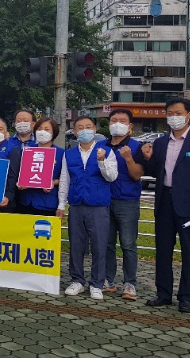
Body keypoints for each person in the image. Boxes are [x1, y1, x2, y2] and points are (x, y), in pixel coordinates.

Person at [141, 99, 190, 313]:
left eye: (177, 113)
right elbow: (155, 171)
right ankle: (163, 293)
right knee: (163, 251)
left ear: (189, 115)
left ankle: (187, 297)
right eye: (169, 113)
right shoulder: (160, 143)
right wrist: (148, 158)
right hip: (164, 202)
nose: (173, 117)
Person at [58, 116, 118, 301]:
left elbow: (112, 177)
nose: (84, 130)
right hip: (77, 204)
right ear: (75, 132)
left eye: (88, 127)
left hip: (98, 205)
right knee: (76, 244)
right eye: (80, 127)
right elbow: (64, 180)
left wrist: (102, 161)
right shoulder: (69, 154)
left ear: (95, 130)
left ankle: (97, 283)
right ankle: (77, 280)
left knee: (99, 245)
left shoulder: (106, 151)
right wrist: (61, 204)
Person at [100, 109, 145, 301]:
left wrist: (128, 158)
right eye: (114, 120)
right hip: (104, 201)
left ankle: (130, 283)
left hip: (127, 202)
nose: (117, 124)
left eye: (122, 121)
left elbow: (137, 175)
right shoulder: (100, 146)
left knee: (128, 244)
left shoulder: (137, 147)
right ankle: (108, 280)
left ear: (130, 126)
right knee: (107, 243)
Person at [6, 118, 63, 216]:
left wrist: (53, 182)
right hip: (26, 201)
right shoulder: (27, 150)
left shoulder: (61, 153)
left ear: (54, 132)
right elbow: (18, 172)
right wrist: (20, 182)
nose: (42, 132)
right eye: (39, 129)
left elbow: (65, 178)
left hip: (47, 202)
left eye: (46, 129)